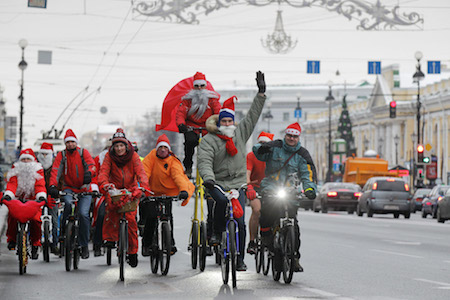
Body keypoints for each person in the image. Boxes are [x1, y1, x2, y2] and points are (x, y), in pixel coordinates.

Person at [198, 71, 267, 272]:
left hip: (238, 184)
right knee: (219, 201)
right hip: (217, 183)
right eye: (224, 122)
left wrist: (261, 93)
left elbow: (252, 116)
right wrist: (209, 179)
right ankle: (218, 233)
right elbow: (204, 162)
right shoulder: (209, 141)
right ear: (219, 124)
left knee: (240, 222)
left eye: (230, 122)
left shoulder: (240, 134)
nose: (227, 125)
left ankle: (239, 259)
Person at [252, 122, 317, 272]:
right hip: (271, 188)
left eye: (294, 136)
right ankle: (266, 236)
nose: (291, 138)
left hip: (290, 192)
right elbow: (258, 152)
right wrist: (261, 148)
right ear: (285, 135)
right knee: (267, 213)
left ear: (298, 137)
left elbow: (308, 174)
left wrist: (309, 189)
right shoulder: (275, 146)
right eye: (289, 135)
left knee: (293, 225)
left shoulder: (303, 154)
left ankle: (294, 257)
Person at [98, 128, 150, 268]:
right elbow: (103, 173)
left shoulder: (133, 157)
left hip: (130, 190)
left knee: (131, 221)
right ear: (113, 147)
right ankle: (110, 239)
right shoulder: (109, 157)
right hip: (114, 190)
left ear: (126, 146)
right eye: (116, 146)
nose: (119, 148)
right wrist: (105, 184)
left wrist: (143, 187)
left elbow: (141, 173)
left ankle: (132, 252)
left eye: (121, 145)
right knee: (109, 211)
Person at [141, 134, 194, 256]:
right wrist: (144, 189)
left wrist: (183, 190)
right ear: (157, 149)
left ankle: (170, 243)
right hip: (152, 192)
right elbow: (145, 172)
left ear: (169, 149)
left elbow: (178, 176)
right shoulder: (151, 157)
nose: (163, 150)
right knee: (151, 217)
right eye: (160, 147)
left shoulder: (173, 161)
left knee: (168, 217)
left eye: (165, 147)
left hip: (168, 193)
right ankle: (147, 243)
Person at [48, 129, 98, 259]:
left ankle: (84, 245)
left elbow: (92, 165)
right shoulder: (62, 155)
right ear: (65, 144)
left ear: (76, 143)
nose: (70, 144)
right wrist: (53, 185)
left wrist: (89, 174)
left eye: (72, 142)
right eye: (68, 142)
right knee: (68, 205)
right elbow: (55, 171)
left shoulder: (83, 153)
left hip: (84, 190)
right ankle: (63, 231)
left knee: (83, 214)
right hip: (68, 188)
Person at [1, 148, 47, 259]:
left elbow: (40, 185)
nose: (26, 161)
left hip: (33, 200)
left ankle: (35, 243)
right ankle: (12, 239)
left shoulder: (38, 170)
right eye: (24, 159)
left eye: (28, 159)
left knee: (36, 220)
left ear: (32, 161)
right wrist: (8, 194)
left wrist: (41, 196)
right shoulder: (16, 170)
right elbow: (12, 184)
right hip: (17, 198)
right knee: (12, 216)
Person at [176, 72, 221, 177]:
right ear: (193, 87)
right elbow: (181, 112)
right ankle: (188, 167)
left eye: (202, 86)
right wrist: (181, 124)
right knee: (189, 143)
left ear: (205, 86)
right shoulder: (187, 100)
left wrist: (218, 122)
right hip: (192, 127)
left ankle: (213, 169)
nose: (200, 88)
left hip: (208, 127)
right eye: (197, 86)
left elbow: (218, 111)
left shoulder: (212, 99)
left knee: (211, 147)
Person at [246, 131, 274, 255]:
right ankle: (252, 241)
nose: (263, 146)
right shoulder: (251, 156)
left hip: (271, 189)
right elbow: (247, 173)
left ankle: (274, 237)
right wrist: (249, 187)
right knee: (257, 210)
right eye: (261, 143)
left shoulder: (275, 156)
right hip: (255, 188)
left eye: (266, 144)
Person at [36, 142, 60, 255]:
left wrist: (57, 191)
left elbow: (60, 179)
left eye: (47, 154)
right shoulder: (35, 165)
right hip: (39, 196)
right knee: (35, 219)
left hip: (53, 195)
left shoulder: (56, 165)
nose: (45, 157)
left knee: (55, 220)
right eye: (43, 154)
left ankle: (55, 244)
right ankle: (35, 243)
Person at [92, 138, 112, 257]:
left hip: (116, 193)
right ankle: (97, 243)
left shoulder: (119, 160)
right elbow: (94, 176)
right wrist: (96, 189)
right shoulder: (98, 160)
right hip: (101, 193)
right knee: (101, 215)